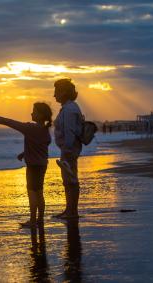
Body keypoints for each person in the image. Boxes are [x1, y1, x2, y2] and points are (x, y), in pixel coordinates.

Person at [0, 102, 52, 227]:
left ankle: (33, 221)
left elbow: (11, 123)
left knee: (32, 191)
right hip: (42, 165)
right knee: (39, 192)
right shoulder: (45, 130)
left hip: (32, 166)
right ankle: (40, 220)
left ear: (40, 115)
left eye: (34, 111)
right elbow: (40, 147)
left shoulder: (31, 128)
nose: (31, 113)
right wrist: (24, 153)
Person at [53, 78, 83, 219]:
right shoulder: (69, 107)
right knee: (69, 180)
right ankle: (70, 210)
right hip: (69, 148)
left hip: (69, 149)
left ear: (63, 92)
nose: (54, 95)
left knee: (70, 180)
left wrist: (67, 150)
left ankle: (72, 211)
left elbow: (70, 131)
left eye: (56, 91)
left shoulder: (70, 109)